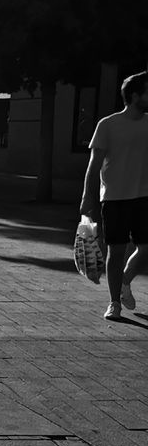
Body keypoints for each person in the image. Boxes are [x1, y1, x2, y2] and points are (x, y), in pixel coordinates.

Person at [79, 70, 148, 320]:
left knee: (146, 248)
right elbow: (93, 165)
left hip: (144, 197)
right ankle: (114, 303)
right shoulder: (108, 125)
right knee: (116, 251)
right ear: (134, 95)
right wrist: (87, 198)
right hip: (115, 198)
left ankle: (124, 282)